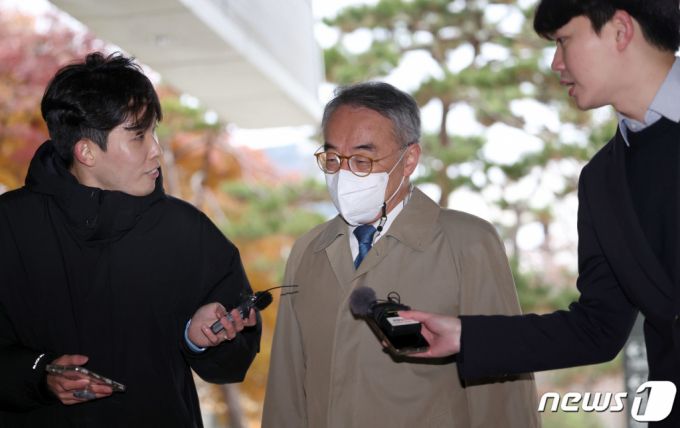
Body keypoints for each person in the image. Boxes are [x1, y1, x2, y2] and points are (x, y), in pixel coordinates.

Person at [399, 0, 680, 426]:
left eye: (564, 40)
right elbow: (599, 328)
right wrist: (465, 335)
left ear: (621, 30)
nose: (555, 63)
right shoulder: (601, 181)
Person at [0, 52, 261, 427]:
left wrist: (200, 339)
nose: (156, 149)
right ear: (86, 151)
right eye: (138, 136)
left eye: (153, 131)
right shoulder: (10, 227)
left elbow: (234, 361)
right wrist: (39, 374)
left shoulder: (187, 231)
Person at [261, 82, 539, 428]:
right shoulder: (309, 250)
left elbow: (503, 391)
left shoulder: (468, 243)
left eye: (362, 160)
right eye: (332, 159)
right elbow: (286, 387)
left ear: (409, 160)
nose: (343, 174)